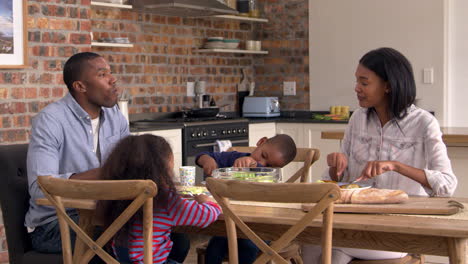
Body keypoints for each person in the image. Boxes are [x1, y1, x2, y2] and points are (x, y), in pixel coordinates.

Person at [302, 47, 457, 263]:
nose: (356, 88)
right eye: (357, 81)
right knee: (319, 245)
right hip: (354, 221)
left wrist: (396, 165)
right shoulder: (357, 119)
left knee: (320, 243)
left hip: (401, 227)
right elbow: (344, 181)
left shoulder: (423, 123)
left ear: (388, 86)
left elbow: (447, 185)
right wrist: (335, 166)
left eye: (364, 83)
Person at [25, 52, 129, 253]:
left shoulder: (116, 116)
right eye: (102, 74)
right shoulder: (50, 121)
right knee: (126, 240)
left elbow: (128, 167)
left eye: (110, 72)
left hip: (103, 214)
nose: (112, 79)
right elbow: (40, 188)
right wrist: (107, 172)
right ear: (80, 86)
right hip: (55, 224)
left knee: (174, 237)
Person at [100, 134, 221, 264]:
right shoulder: (168, 201)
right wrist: (205, 201)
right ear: (164, 168)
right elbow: (206, 215)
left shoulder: (115, 195)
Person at [196, 134, 297, 264]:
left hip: (257, 229)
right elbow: (202, 155)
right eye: (264, 156)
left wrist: (253, 167)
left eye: (270, 165)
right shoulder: (233, 158)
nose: (262, 163)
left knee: (247, 247)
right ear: (261, 142)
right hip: (228, 224)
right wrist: (207, 161)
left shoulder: (269, 176)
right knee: (214, 249)